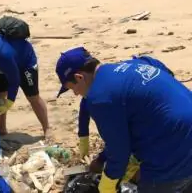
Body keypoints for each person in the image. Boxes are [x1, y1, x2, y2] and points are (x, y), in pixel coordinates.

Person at [55, 47, 192, 193]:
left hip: (174, 148)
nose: (76, 94)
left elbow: (119, 150)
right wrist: (102, 159)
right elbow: (161, 68)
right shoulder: (132, 65)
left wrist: (107, 185)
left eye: (72, 88)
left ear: (79, 77)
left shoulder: (100, 99)